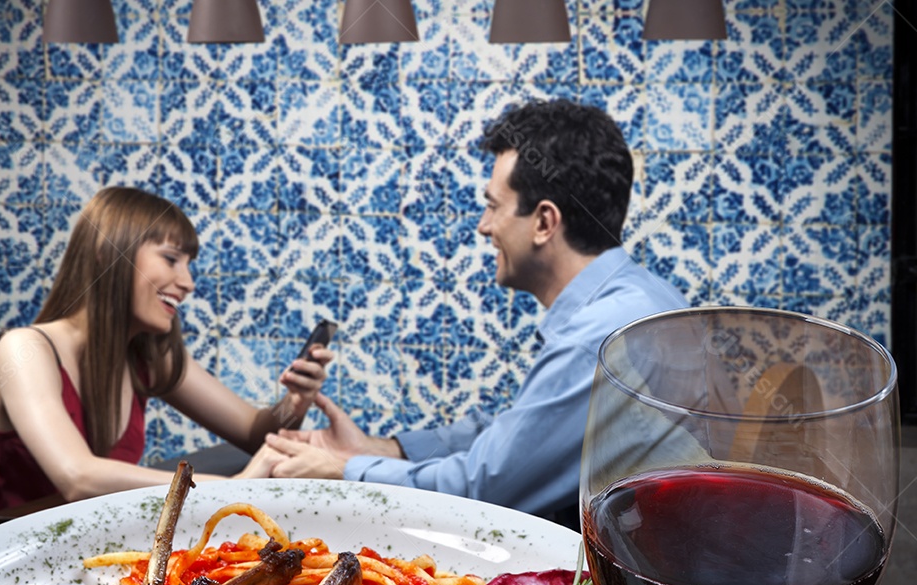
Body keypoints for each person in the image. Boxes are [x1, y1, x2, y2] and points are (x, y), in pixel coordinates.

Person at [258, 99, 688, 525]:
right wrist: (379, 449)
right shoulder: (640, 297)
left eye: (493, 206)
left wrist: (344, 471)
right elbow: (516, 438)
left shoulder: (596, 339)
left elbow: (484, 492)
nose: (484, 226)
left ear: (544, 222)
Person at [0, 186, 331, 532]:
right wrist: (231, 488)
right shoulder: (25, 350)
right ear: (107, 253)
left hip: (86, 541)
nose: (188, 283)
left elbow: (254, 433)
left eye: (188, 263)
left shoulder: (147, 356)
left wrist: (295, 402)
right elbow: (77, 477)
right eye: (171, 259)